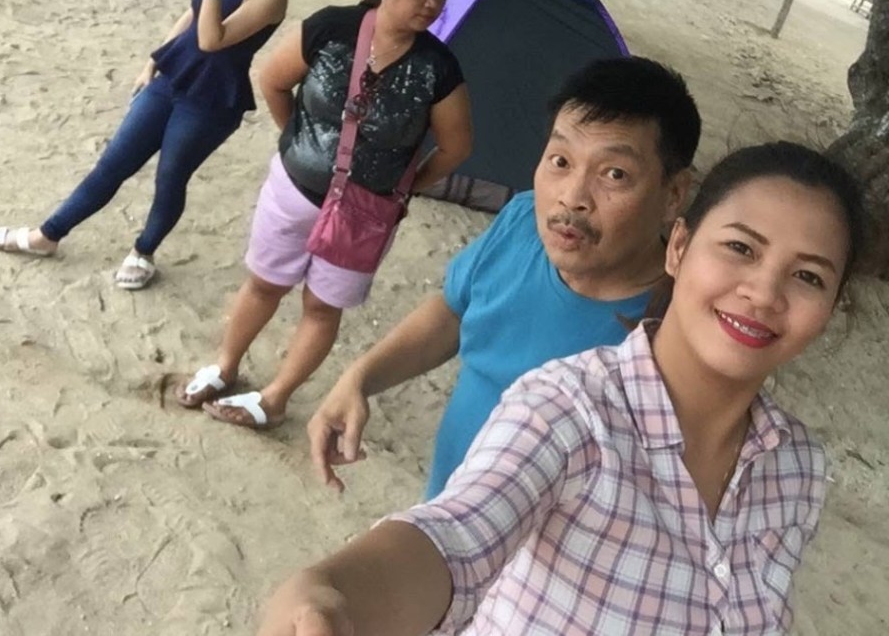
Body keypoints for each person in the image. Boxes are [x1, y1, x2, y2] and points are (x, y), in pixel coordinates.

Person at [257, 141, 867, 636]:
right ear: (679, 247)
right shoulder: (569, 410)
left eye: (808, 276)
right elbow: (456, 535)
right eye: (739, 248)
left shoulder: (796, 469)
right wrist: (334, 598)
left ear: (831, 307)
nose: (763, 293)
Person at [309, 56, 701, 497]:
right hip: (445, 502)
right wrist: (360, 379)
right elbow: (455, 311)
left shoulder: (676, 335)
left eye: (615, 174)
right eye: (560, 160)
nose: (572, 197)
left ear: (673, 195)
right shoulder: (521, 223)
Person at [178, 0, 473, 429]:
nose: (433, 4)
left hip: (365, 214)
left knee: (321, 307)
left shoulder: (438, 68)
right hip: (293, 191)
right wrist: (299, 141)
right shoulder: (333, 27)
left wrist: (405, 186)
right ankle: (225, 366)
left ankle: (275, 398)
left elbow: (455, 147)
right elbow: (274, 81)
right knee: (264, 283)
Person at [0, 0, 288, 289]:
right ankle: (48, 235)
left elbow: (210, 39)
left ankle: (144, 251)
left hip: (212, 99)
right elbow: (191, 16)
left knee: (170, 177)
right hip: (173, 77)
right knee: (113, 164)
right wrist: (152, 61)